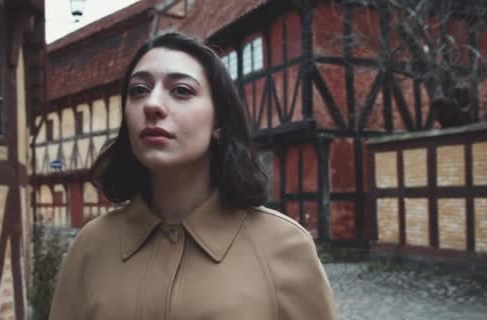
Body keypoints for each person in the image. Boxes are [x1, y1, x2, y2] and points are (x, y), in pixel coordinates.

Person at [49, 32, 336, 320]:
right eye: (138, 90)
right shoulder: (90, 247)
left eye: (181, 90)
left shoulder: (284, 245)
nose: (151, 104)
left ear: (219, 119)